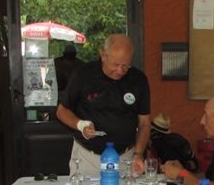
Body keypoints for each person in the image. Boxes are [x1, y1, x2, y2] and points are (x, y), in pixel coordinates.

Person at [56, 34, 149, 176]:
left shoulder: (138, 79)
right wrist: (80, 125)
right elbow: (62, 111)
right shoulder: (83, 75)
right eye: (116, 65)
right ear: (103, 55)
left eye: (125, 66)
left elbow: (144, 123)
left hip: (126, 158)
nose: (120, 71)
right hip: (88, 158)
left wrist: (138, 153)